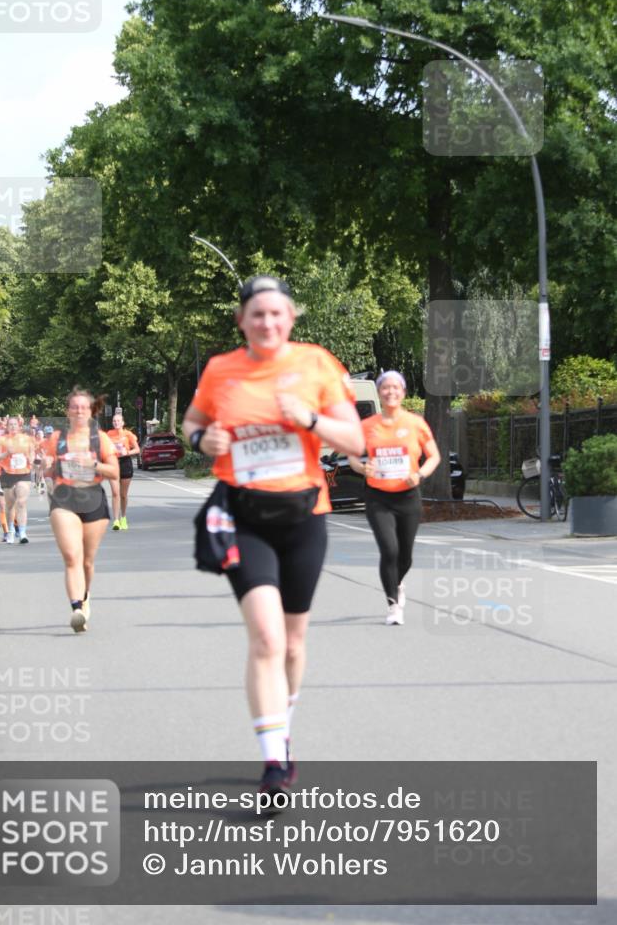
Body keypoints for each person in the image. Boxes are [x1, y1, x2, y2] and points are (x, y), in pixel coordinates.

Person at [182, 275, 363, 797]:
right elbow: (192, 421)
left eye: (276, 313)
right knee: (266, 637)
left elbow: (353, 439)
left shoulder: (317, 365)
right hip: (244, 517)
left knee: (293, 641)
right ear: (242, 321)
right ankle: (274, 762)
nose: (267, 322)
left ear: (291, 317)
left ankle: (282, 728)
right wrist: (202, 438)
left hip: (304, 516)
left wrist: (307, 418)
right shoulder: (222, 370)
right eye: (256, 314)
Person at [348, 371, 441, 626]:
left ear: (403, 392)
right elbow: (352, 456)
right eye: (385, 388)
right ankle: (392, 605)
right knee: (389, 550)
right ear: (379, 393)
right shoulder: (367, 426)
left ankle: (397, 583)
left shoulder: (416, 423)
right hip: (378, 497)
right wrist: (361, 467)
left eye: (395, 387)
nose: (390, 392)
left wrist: (420, 475)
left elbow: (433, 456)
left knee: (405, 555)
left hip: (408, 496)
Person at [44, 388, 118, 633]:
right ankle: (76, 608)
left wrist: (93, 464)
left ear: (90, 411)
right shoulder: (57, 438)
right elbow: (47, 469)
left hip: (94, 498)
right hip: (64, 498)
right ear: (68, 411)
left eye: (83, 407)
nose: (79, 411)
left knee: (87, 561)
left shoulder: (100, 439)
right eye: (74, 407)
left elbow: (114, 472)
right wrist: (47, 465)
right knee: (71, 557)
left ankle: (85, 597)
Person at [0, 417, 35, 543]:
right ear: (7, 427)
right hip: (7, 474)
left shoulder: (26, 439)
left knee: (21, 502)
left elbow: (32, 453)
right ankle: (10, 531)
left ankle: (22, 533)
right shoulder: (2, 440)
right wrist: (6, 454)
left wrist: (30, 458)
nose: (12, 427)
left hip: (24, 473)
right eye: (10, 424)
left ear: (19, 426)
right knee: (10, 505)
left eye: (15, 424)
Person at [106, 412, 140, 530]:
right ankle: (115, 521)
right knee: (115, 493)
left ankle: (123, 518)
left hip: (125, 463)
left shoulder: (128, 434)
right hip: (113, 464)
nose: (116, 423)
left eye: (118, 421)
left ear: (122, 423)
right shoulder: (109, 434)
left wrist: (127, 452)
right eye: (114, 421)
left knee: (123, 495)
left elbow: (137, 449)